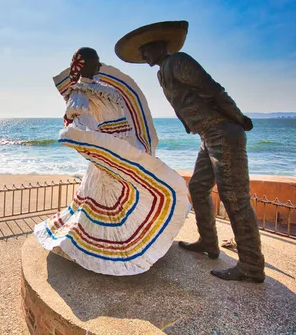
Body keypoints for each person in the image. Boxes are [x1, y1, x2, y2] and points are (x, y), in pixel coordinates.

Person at [114, 21, 265, 283]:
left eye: (145, 50)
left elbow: (214, 90)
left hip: (222, 132)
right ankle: (209, 242)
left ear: (159, 46)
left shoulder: (179, 62)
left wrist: (239, 118)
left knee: (234, 198)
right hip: (207, 136)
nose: (142, 56)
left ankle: (252, 265)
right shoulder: (163, 73)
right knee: (197, 187)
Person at [33, 47, 191, 276]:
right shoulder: (80, 93)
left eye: (98, 61)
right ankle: (105, 250)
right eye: (95, 61)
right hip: (109, 154)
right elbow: (82, 125)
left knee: (127, 197)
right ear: (85, 64)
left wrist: (129, 146)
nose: (99, 65)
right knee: (108, 201)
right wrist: (100, 147)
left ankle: (125, 243)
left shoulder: (103, 89)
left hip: (123, 150)